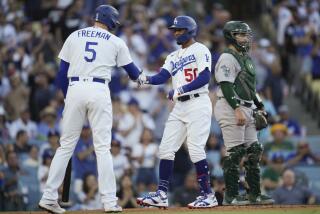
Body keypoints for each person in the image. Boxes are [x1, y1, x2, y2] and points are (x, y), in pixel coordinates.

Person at [38, 5, 141, 214]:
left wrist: (69, 97)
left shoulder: (74, 35)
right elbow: (133, 73)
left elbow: (61, 74)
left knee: (65, 146)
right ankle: (110, 202)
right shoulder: (115, 41)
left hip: (75, 87)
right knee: (103, 147)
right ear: (110, 20)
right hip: (98, 88)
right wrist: (144, 78)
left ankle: (49, 197)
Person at [136, 16, 218, 208]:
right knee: (165, 149)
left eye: (180, 30)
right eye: (175, 30)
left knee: (196, 149)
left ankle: (208, 195)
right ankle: (161, 194)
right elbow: (162, 77)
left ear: (190, 31)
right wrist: (144, 79)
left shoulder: (200, 49)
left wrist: (180, 89)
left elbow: (205, 76)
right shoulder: (172, 56)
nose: (176, 33)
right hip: (180, 106)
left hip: (198, 102)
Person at [214, 21, 274, 205]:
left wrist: (260, 105)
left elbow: (250, 87)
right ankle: (231, 195)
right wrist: (237, 108)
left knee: (254, 150)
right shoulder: (227, 57)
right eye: (241, 34)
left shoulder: (245, 57)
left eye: (247, 35)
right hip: (231, 106)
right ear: (231, 36)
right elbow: (225, 85)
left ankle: (255, 193)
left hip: (247, 106)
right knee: (236, 152)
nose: (246, 38)